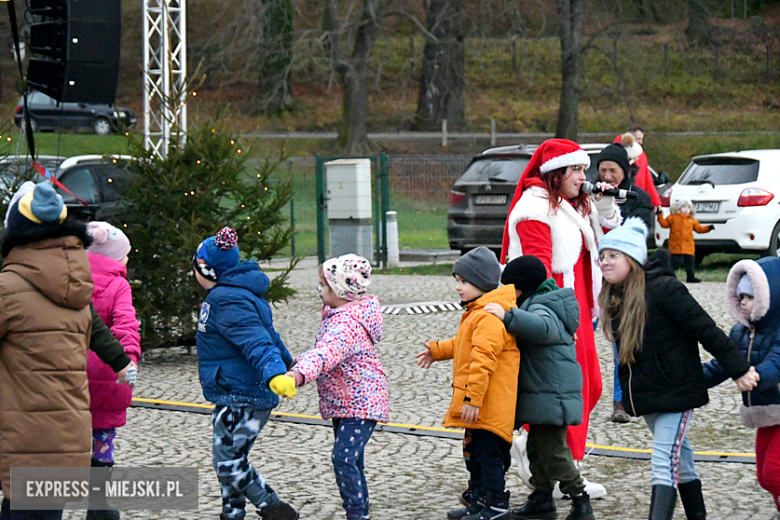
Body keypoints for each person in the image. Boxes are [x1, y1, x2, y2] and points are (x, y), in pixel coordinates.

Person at [597, 217, 758, 520]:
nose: (605, 262)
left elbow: (706, 329)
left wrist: (739, 370)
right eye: (602, 256)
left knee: (663, 459)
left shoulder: (666, 290)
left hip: (676, 389)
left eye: (613, 256)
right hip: (648, 393)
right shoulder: (616, 297)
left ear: (632, 259)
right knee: (680, 458)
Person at [0, 182, 132, 520]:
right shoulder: (76, 288)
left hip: (23, 434)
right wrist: (121, 360)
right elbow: (98, 331)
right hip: (66, 434)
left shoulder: (8, 288)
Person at [500, 139, 620, 498]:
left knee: (589, 385)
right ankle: (564, 471)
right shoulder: (535, 208)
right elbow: (538, 269)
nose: (584, 176)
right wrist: (556, 320)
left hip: (579, 304)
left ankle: (547, 456)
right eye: (577, 170)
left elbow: (610, 239)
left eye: (585, 169)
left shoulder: (569, 205)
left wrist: (607, 204)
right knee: (570, 388)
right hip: (557, 306)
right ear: (556, 173)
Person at [193, 226, 298, 520]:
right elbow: (271, 336)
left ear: (208, 270)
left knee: (228, 461)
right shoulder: (236, 295)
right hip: (236, 390)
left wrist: (276, 372)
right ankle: (232, 512)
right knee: (231, 458)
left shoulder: (226, 300)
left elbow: (258, 341)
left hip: (241, 395)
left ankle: (273, 507)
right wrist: (289, 363)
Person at [274, 254, 389, 520]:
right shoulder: (339, 315)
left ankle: (357, 514)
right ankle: (360, 512)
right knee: (352, 459)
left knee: (344, 458)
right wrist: (295, 364)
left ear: (341, 290)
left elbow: (326, 354)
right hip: (346, 401)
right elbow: (323, 353)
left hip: (361, 403)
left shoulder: (346, 324)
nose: (319, 290)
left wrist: (298, 375)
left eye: (324, 285)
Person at [484, 255, 595, 520]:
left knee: (554, 453)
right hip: (545, 394)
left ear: (522, 288)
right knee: (536, 450)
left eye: (513, 289)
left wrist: (508, 316)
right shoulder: (541, 303)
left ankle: (581, 501)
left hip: (551, 395)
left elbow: (542, 328)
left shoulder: (542, 308)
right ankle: (542, 499)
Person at [416, 247, 518, 520]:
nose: (458, 288)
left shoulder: (487, 317)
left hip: (488, 403)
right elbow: (464, 344)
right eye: (457, 281)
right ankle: (480, 500)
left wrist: (473, 400)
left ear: (482, 283)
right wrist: (438, 350)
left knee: (489, 456)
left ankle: (496, 506)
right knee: (474, 454)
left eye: (464, 282)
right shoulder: (478, 312)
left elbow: (483, 360)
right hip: (481, 403)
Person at [703, 257, 780, 517]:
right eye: (740, 296)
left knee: (773, 474)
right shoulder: (741, 332)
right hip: (766, 413)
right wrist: (689, 380)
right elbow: (720, 365)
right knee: (763, 475)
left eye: (750, 296)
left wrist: (753, 375)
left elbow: (776, 363)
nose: (743, 302)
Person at [84, 221, 142, 520]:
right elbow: (126, 325)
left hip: (71, 377)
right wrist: (127, 360)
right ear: (115, 259)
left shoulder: (71, 278)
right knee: (102, 440)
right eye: (126, 255)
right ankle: (98, 506)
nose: (128, 260)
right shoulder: (119, 285)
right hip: (108, 375)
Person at [595, 144, 653, 424]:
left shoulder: (638, 198)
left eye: (612, 170)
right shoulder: (591, 196)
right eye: (603, 169)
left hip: (627, 279)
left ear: (624, 172)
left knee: (623, 339)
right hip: (596, 274)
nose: (607, 175)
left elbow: (639, 237)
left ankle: (622, 399)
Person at [656, 199, 713, 283]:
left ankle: (690, 277)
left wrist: (708, 228)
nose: (686, 209)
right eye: (684, 207)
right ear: (679, 208)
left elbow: (699, 229)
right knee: (676, 262)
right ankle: (667, 274)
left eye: (688, 207)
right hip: (676, 246)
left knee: (690, 263)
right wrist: (660, 215)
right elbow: (664, 224)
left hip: (688, 247)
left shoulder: (692, 220)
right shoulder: (673, 217)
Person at [624, 125, 662, 209]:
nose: (641, 142)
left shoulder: (641, 155)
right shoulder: (621, 154)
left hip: (639, 199)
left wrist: (656, 202)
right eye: (638, 139)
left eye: (641, 139)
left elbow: (648, 179)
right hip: (625, 199)